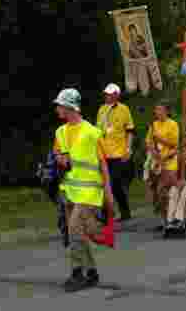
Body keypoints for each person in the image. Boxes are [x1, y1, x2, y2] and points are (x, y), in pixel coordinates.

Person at [52, 88, 114, 292]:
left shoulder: (92, 132)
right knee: (76, 232)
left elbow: (103, 164)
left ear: (70, 107)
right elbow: (57, 154)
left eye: (60, 105)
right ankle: (92, 272)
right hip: (69, 189)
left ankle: (77, 273)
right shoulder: (60, 132)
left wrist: (108, 192)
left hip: (89, 192)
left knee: (75, 229)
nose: (57, 109)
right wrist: (60, 158)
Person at [96, 83, 135, 223]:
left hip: (119, 153)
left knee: (113, 184)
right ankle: (111, 214)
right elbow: (97, 131)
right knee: (108, 183)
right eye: (106, 93)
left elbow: (130, 130)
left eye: (111, 94)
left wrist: (128, 149)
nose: (108, 96)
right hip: (104, 153)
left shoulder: (124, 109)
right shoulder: (101, 109)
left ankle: (111, 213)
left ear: (117, 95)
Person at [145, 103, 181, 231]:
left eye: (160, 109)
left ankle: (172, 218)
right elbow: (148, 142)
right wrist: (153, 151)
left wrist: (160, 139)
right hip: (156, 162)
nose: (157, 112)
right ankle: (165, 219)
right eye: (156, 109)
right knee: (156, 191)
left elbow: (174, 144)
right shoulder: (153, 124)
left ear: (166, 111)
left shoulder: (173, 124)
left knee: (163, 189)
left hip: (169, 162)